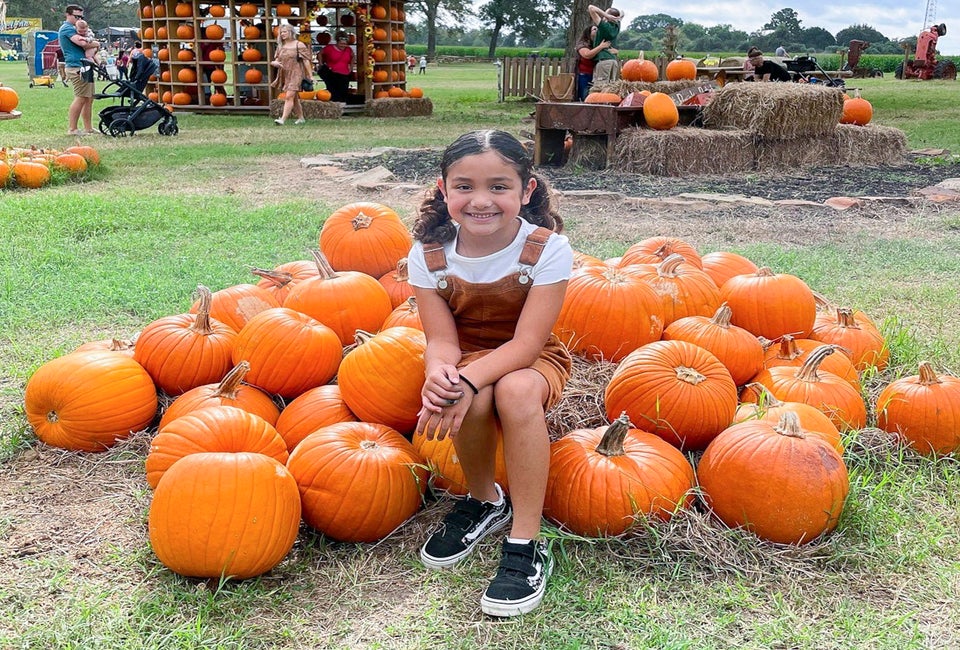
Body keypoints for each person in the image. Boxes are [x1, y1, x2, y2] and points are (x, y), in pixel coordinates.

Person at [408, 130, 573, 618]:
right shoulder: (429, 254)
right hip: (468, 357)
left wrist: (470, 379)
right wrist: (440, 373)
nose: (481, 200)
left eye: (499, 186)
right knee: (471, 395)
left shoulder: (546, 249)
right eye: (465, 186)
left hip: (532, 358)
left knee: (515, 391)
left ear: (527, 191)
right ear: (443, 189)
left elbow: (525, 345)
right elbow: (441, 341)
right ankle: (484, 500)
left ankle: (526, 538)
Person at [58, 4, 96, 135]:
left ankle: (88, 128)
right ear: (67, 15)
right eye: (76, 16)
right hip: (76, 66)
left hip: (85, 65)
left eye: (81, 17)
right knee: (80, 97)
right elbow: (83, 43)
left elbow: (87, 42)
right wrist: (97, 43)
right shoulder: (67, 28)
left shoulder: (77, 27)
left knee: (89, 98)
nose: (79, 20)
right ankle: (73, 129)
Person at [270, 23, 313, 125]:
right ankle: (301, 118)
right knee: (294, 97)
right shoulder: (281, 46)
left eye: (284, 32)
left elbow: (306, 61)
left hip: (297, 73)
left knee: (289, 96)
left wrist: (310, 75)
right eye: (281, 32)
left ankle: (282, 119)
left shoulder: (299, 45)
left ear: (291, 32)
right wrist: (274, 63)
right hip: (285, 73)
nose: (282, 34)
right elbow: (275, 60)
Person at [575, 24, 611, 101]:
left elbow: (614, 51)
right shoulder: (582, 44)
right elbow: (587, 55)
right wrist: (601, 47)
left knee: (595, 95)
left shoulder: (597, 43)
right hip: (585, 74)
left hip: (597, 75)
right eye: (594, 29)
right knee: (585, 96)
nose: (597, 30)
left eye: (598, 29)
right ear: (588, 32)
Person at [588, 4, 622, 85]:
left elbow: (591, 8)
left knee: (600, 87)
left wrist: (607, 15)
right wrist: (617, 17)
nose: (603, 15)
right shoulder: (617, 26)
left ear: (610, 17)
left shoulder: (605, 26)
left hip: (604, 61)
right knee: (610, 87)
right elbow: (621, 14)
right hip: (613, 61)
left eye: (605, 13)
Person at [317, 31, 353, 103]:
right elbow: (320, 53)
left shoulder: (348, 49)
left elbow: (352, 57)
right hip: (332, 74)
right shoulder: (329, 48)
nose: (343, 46)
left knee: (343, 93)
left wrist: (351, 67)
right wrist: (321, 63)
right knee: (333, 93)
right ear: (337, 42)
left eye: (345, 44)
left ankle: (343, 108)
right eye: (341, 44)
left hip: (344, 74)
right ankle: (334, 107)